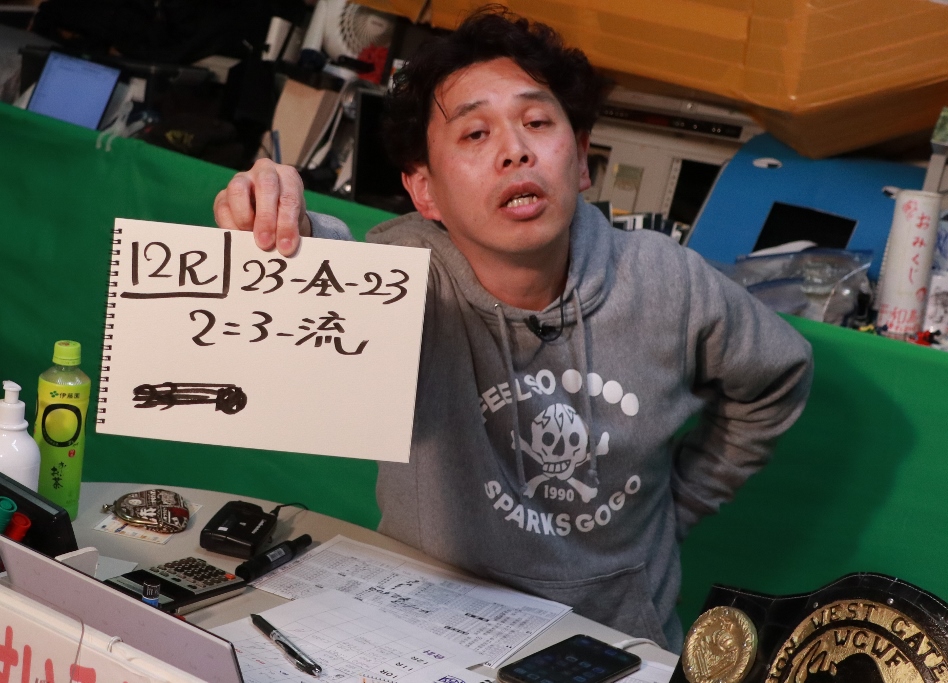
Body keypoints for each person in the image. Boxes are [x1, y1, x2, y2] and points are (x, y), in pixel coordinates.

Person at [213, 7, 813, 652]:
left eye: (537, 122)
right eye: (475, 133)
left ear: (581, 162)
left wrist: (683, 503)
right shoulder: (408, 276)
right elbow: (332, 273)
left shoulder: (669, 281)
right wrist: (279, 223)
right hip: (425, 632)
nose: (515, 150)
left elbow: (778, 374)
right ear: (425, 191)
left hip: (615, 644)